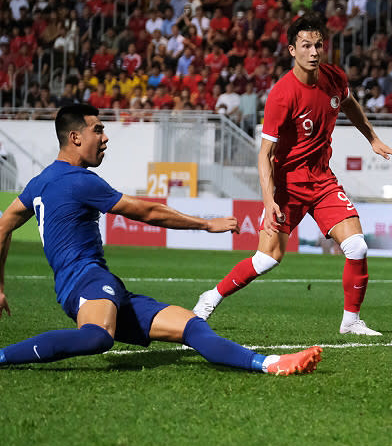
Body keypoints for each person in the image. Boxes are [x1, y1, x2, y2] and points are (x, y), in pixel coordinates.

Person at [0, 105, 321, 375]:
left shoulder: (39, 182)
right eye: (97, 130)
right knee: (97, 337)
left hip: (97, 283)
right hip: (85, 280)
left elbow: (3, 226)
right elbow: (147, 212)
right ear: (75, 137)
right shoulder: (78, 181)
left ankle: (270, 364)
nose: (105, 137)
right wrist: (206, 224)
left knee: (192, 326)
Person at [193, 15, 392, 335]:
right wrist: (269, 200)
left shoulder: (334, 78)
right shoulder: (282, 95)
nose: (314, 51)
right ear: (292, 49)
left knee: (357, 246)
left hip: (322, 179)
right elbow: (264, 155)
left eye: (319, 45)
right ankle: (211, 296)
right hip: (288, 185)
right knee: (267, 259)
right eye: (306, 45)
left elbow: (351, 105)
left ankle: (351, 322)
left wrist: (373, 139)